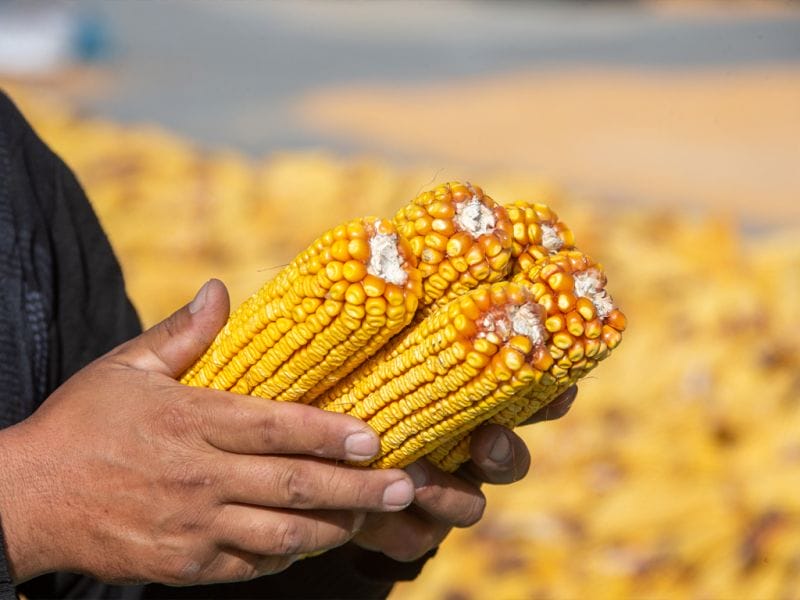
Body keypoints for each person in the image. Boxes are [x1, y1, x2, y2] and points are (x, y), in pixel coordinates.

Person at [0, 89, 577, 600]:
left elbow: (118, 570)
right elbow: (78, 499)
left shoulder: (17, 173)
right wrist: (29, 507)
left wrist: (325, 531)